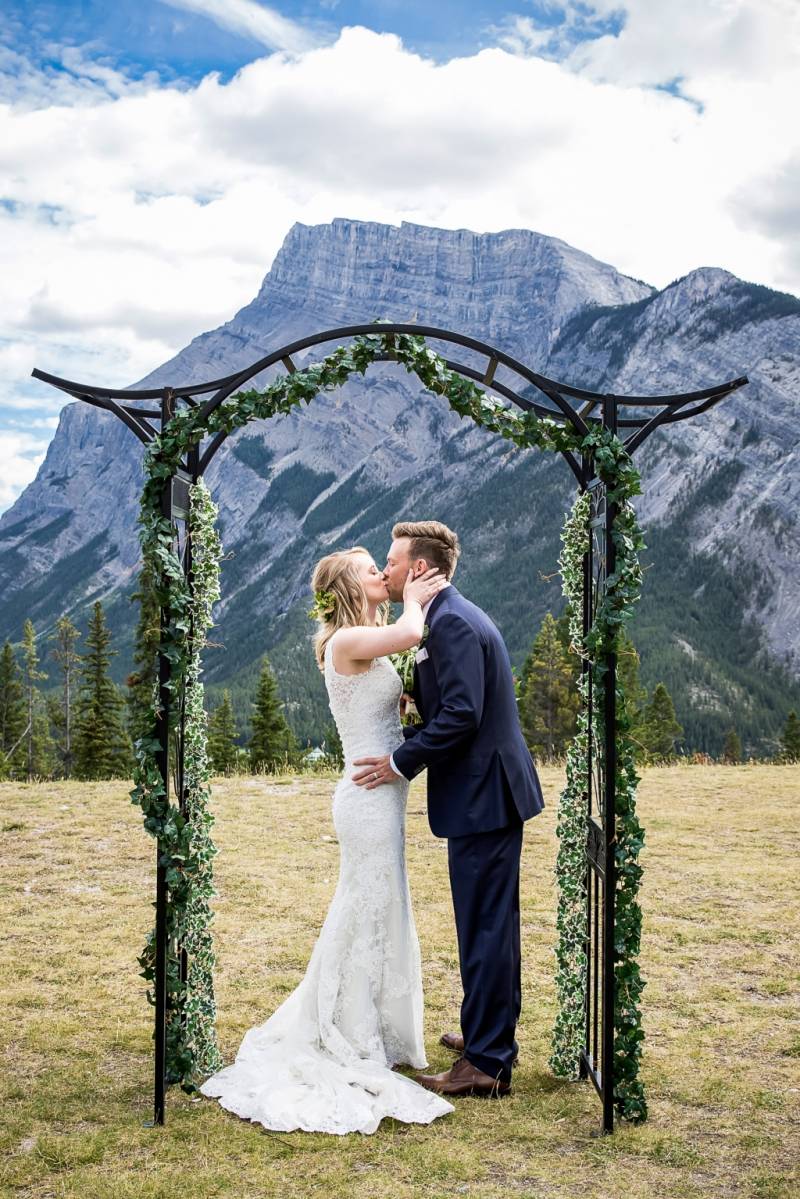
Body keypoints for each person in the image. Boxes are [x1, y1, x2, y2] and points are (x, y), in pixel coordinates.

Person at [199, 546, 453, 1134]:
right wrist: (415, 597)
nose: (379, 575)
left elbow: (388, 686)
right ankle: (348, 1030)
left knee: (382, 907)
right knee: (363, 908)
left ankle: (371, 1026)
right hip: (365, 800)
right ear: (348, 585)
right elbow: (413, 632)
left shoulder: (362, 637)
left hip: (384, 794)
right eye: (371, 570)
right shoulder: (343, 640)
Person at [353, 521, 544, 1098]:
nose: (384, 570)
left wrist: (400, 760)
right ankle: (486, 1034)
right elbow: (457, 705)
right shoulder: (447, 617)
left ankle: (485, 1064)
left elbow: (463, 715)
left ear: (416, 569)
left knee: (485, 928)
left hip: (484, 796)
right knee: (489, 925)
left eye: (391, 560)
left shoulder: (453, 622)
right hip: (487, 793)